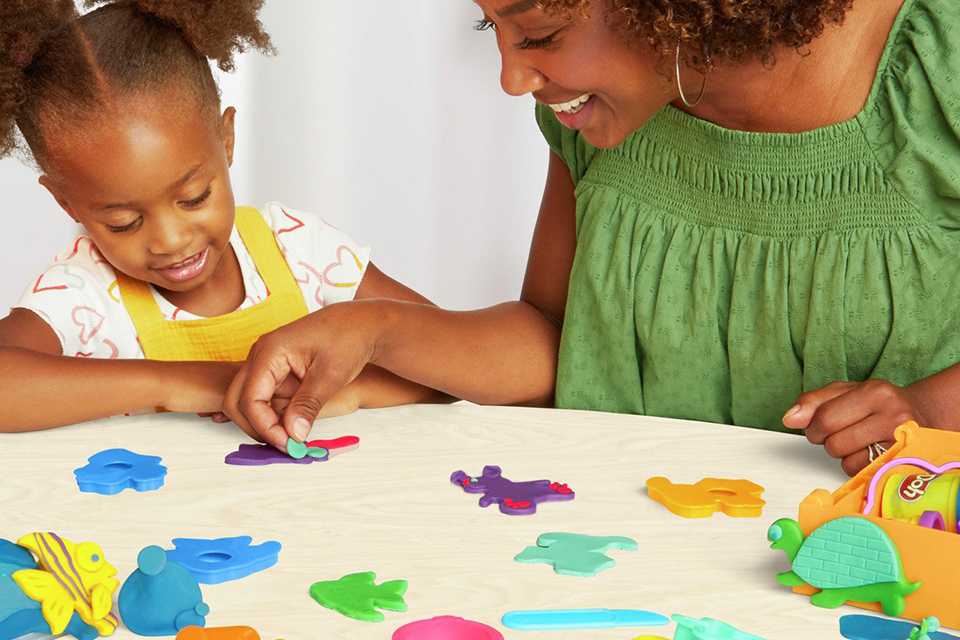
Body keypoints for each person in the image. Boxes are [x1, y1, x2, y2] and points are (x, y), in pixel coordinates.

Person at [226, 0, 960, 475]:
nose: (512, 80)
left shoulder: (936, 66)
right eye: (493, 30)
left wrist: (928, 412)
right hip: (635, 569)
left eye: (539, 35)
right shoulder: (601, 123)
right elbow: (557, 339)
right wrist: (375, 331)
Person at [0, 0, 441, 435]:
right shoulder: (83, 294)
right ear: (66, 203)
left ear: (225, 139)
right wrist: (190, 384)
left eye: (193, 198)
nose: (170, 240)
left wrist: (347, 389)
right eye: (124, 223)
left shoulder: (303, 251)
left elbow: (452, 357)